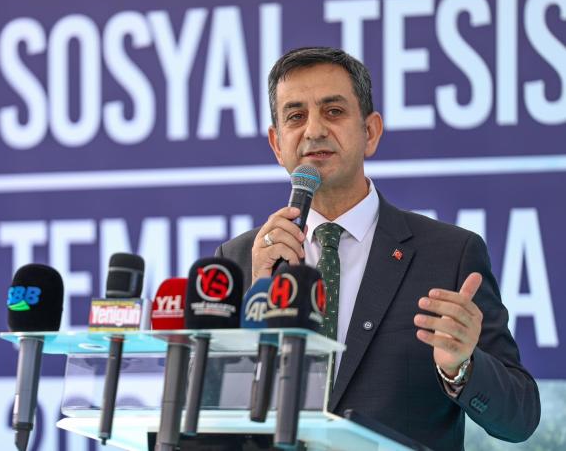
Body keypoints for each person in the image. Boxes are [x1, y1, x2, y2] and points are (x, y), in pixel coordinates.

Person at [215, 47, 540, 450]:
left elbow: (520, 419)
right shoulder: (240, 262)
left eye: (333, 111)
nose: (314, 130)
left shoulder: (449, 254)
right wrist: (256, 300)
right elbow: (206, 417)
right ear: (277, 144)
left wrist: (462, 367)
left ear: (370, 132)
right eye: (295, 117)